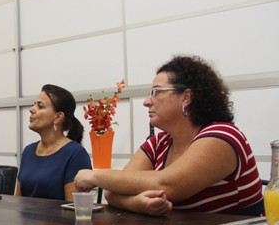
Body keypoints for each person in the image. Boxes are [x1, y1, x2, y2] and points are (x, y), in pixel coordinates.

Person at [74, 55, 263, 216]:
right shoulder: (160, 143)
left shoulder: (223, 135)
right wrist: (136, 203)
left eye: (156, 92)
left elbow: (166, 184)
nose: (147, 102)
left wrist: (94, 175)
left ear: (186, 97)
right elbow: (113, 192)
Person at [16, 84, 92, 202]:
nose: (31, 109)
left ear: (58, 117)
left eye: (40, 106)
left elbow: (73, 209)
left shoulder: (75, 154)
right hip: (26, 220)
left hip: (58, 220)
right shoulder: (28, 151)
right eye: (34, 104)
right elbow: (18, 201)